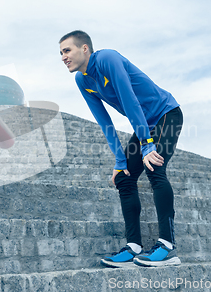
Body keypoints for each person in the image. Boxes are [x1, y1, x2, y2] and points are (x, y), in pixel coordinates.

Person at [59, 30, 183, 267]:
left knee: (155, 167)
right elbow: (104, 121)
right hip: (144, 125)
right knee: (124, 178)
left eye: (67, 50)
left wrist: (147, 145)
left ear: (84, 48)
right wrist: (119, 161)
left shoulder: (107, 59)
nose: (63, 57)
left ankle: (167, 247)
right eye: (61, 53)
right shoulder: (82, 80)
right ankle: (134, 246)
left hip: (166, 113)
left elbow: (129, 100)